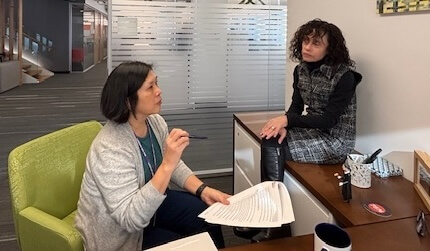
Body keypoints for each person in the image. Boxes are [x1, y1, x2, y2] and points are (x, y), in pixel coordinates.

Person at [75, 61, 230, 251]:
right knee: (190, 245)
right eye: (150, 87)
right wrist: (167, 163)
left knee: (209, 215)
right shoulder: (110, 148)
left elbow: (175, 165)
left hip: (151, 205)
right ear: (127, 100)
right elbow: (131, 219)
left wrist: (202, 189)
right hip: (123, 233)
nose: (159, 91)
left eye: (157, 83)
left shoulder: (154, 122)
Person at [260, 19, 362, 165]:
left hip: (336, 142)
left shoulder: (345, 76)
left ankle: (271, 188)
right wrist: (285, 126)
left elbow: (329, 120)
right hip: (312, 131)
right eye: (305, 41)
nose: (307, 47)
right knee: (270, 138)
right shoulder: (300, 70)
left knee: (275, 150)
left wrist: (287, 120)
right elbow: (296, 106)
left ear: (330, 49)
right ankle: (268, 188)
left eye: (316, 43)